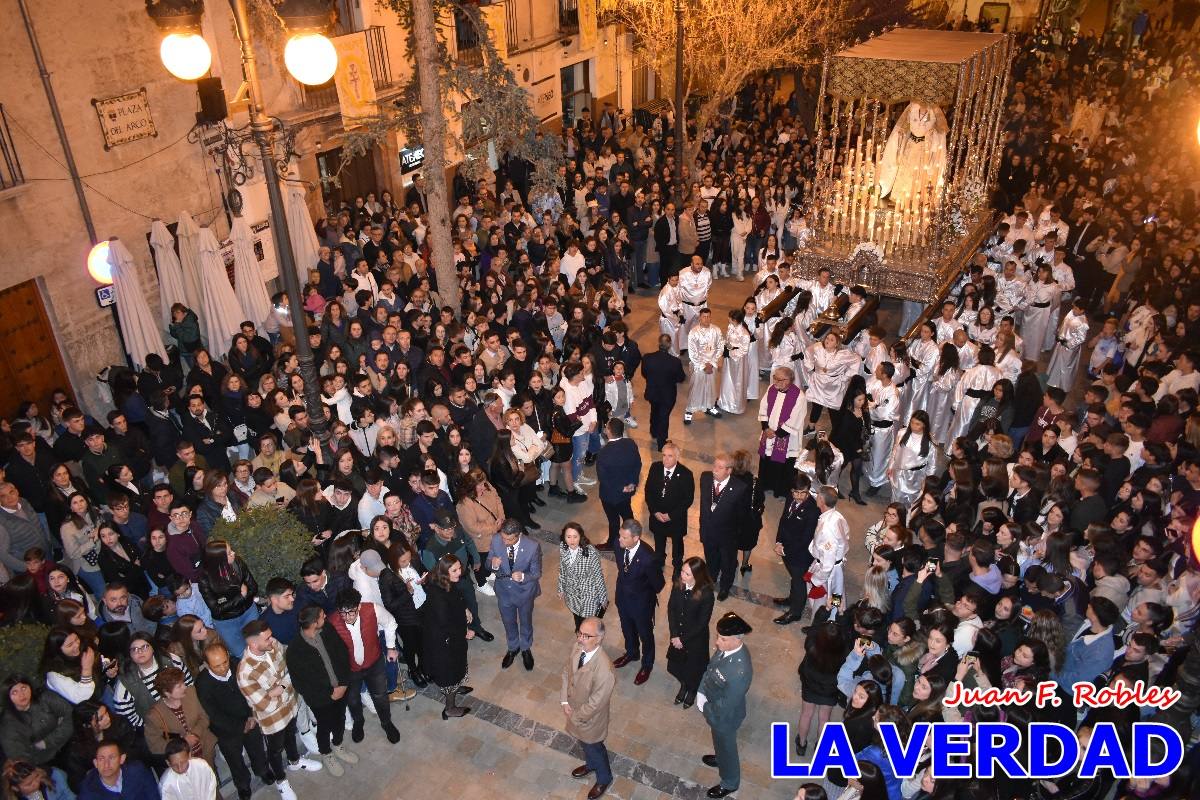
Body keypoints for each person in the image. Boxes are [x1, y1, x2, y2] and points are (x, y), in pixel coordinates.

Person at [236, 620, 322, 800]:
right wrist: (286, 684)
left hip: (290, 706)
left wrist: (278, 689)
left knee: (291, 736)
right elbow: (267, 705)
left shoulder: (273, 645)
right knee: (275, 751)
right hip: (272, 719)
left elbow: (291, 664)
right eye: (267, 638)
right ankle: (281, 781)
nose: (272, 639)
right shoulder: (245, 672)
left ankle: (295, 761)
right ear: (253, 643)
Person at [285, 605, 359, 776]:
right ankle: (327, 753)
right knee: (324, 727)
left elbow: (342, 653)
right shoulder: (295, 650)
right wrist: (329, 694)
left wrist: (343, 684)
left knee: (340, 719)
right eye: (321, 616)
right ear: (313, 623)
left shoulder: (327, 629)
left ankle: (339, 745)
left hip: (341, 688)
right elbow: (301, 683)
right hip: (320, 700)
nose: (325, 616)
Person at [193, 643, 272, 800]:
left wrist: (251, 715)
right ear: (207, 665)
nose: (223, 668)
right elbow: (213, 714)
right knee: (234, 759)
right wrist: (240, 726)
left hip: (248, 717)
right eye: (216, 666)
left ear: (228, 657)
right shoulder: (202, 683)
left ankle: (262, 770)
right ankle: (242, 784)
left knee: (257, 747)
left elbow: (251, 689)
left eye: (225, 662)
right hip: (226, 730)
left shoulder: (238, 665)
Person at [328, 587, 402, 744]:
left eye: (351, 612)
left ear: (359, 606)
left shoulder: (372, 609)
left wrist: (390, 647)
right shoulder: (332, 622)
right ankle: (358, 722)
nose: (347, 617)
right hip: (350, 670)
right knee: (353, 699)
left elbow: (390, 623)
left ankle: (386, 723)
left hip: (374, 662)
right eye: (343, 613)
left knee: (380, 696)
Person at [697, 612, 754, 799]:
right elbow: (710, 669)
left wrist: (705, 707)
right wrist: (701, 691)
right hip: (714, 706)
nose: (717, 642)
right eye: (718, 637)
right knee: (719, 742)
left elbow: (726, 704)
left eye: (722, 638)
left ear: (737, 640)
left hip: (725, 717)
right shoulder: (725, 650)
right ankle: (720, 758)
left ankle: (730, 781)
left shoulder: (740, 669)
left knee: (727, 747)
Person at [561, 616, 616, 800]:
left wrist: (575, 717)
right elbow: (566, 672)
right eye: (580, 633)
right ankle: (591, 765)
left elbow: (596, 703)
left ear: (599, 639)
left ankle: (604, 777)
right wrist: (564, 701)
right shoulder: (578, 648)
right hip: (574, 710)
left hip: (589, 718)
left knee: (593, 746)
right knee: (584, 743)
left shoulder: (604, 669)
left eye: (586, 636)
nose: (580, 639)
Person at [421, 554, 474, 719]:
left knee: (457, 667)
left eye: (459, 568)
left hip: (451, 635)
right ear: (444, 572)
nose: (460, 572)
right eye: (455, 570)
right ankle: (450, 708)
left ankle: (456, 687)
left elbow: (456, 598)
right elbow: (445, 624)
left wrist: (464, 609)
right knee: (450, 673)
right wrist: (464, 631)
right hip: (444, 642)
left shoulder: (445, 582)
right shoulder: (438, 595)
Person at [611, 519, 664, 686]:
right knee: (627, 628)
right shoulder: (618, 544)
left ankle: (647, 665)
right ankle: (631, 652)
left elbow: (659, 584)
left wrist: (642, 592)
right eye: (620, 535)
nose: (619, 539)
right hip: (623, 598)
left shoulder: (648, 557)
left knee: (645, 635)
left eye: (624, 537)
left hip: (641, 604)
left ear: (635, 538)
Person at [489, 518, 543, 671]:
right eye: (503, 538)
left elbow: (536, 573)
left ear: (518, 535)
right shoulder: (496, 539)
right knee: (508, 621)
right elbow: (489, 563)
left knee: (526, 621)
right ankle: (513, 647)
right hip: (504, 592)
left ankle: (525, 648)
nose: (504, 542)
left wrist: (524, 576)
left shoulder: (532, 546)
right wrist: (493, 564)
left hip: (524, 592)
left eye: (509, 539)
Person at [666, 557, 715, 708]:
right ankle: (683, 685)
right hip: (677, 636)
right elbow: (671, 609)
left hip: (695, 639)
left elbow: (702, 623)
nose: (682, 575)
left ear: (697, 576)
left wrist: (682, 639)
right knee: (679, 666)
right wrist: (674, 635)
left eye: (687, 574)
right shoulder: (678, 583)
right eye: (682, 571)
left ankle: (692, 690)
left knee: (693, 668)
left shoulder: (706, 594)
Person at [143, 667, 217, 766]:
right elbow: (155, 745)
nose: (185, 687)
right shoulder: (154, 716)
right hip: (182, 762)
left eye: (183, 683)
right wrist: (182, 743)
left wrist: (195, 734)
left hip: (206, 748)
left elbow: (204, 717)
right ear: (167, 693)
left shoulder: (192, 692)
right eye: (179, 686)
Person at [698, 453, 748, 601]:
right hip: (708, 532)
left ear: (729, 470)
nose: (715, 470)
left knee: (728, 562)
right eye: (714, 465)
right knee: (711, 559)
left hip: (727, 537)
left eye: (720, 467)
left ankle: (726, 586)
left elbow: (741, 516)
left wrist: (734, 534)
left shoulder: (739, 488)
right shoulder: (705, 478)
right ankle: (711, 578)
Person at [773, 473, 819, 625]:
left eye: (803, 493)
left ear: (808, 491)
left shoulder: (813, 510)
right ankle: (791, 599)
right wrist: (778, 541)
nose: (799, 496)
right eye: (796, 492)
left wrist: (786, 550)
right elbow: (783, 520)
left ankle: (795, 612)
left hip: (800, 555)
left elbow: (806, 539)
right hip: (786, 549)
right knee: (794, 577)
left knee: (799, 582)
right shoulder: (790, 498)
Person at [643, 442, 695, 577]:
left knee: (677, 543)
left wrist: (671, 515)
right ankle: (659, 560)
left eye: (670, 456)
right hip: (657, 516)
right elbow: (648, 491)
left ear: (677, 457)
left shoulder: (686, 474)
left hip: (675, 519)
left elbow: (688, 500)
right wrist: (655, 511)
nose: (665, 459)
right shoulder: (655, 467)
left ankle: (678, 565)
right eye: (664, 455)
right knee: (659, 541)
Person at [0, 674, 73, 767]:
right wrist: (59, 725)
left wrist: (45, 742)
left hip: (67, 745)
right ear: (8, 697)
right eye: (14, 692)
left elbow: (68, 715)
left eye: (23, 688)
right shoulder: (8, 724)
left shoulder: (44, 697)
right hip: (42, 762)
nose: (21, 694)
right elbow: (19, 756)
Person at [757, 367, 808, 498]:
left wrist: (777, 434)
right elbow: (763, 407)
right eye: (775, 378)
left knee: (783, 464)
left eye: (779, 379)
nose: (775, 381)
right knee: (767, 460)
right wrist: (766, 428)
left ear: (788, 380)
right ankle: (766, 484)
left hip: (786, 437)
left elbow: (796, 418)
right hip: (769, 433)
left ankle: (780, 490)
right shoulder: (771, 389)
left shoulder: (799, 396)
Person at [594, 418, 641, 550]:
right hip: (627, 493)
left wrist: (621, 488)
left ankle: (612, 544)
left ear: (609, 431)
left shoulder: (603, 453)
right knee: (627, 514)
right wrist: (632, 483)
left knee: (613, 520)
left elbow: (603, 478)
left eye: (606, 426)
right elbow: (637, 465)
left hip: (610, 495)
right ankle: (633, 539)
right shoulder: (630, 443)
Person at [556, 523, 607, 629]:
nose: (572, 540)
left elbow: (598, 576)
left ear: (580, 536)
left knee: (587, 623)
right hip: (571, 593)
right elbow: (562, 569)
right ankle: (579, 632)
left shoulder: (590, 553)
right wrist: (561, 588)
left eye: (575, 537)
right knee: (577, 616)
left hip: (588, 594)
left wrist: (603, 598)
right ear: (564, 537)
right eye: (568, 537)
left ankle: (586, 638)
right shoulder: (563, 547)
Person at [641, 334, 687, 450]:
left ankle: (654, 432)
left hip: (652, 392)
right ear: (670, 345)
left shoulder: (647, 358)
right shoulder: (675, 362)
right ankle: (661, 443)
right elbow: (681, 378)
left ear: (658, 343)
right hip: (668, 395)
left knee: (654, 411)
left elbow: (644, 374)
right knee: (664, 417)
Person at [78, 740, 159, 800]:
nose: (106, 764)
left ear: (122, 759)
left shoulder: (138, 771)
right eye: (101, 759)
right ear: (95, 763)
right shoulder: (88, 790)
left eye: (111, 758)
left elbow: (154, 797)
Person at [809, 488, 849, 605]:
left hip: (829, 571)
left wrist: (817, 580)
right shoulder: (838, 516)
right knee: (837, 591)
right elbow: (846, 536)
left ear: (821, 500)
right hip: (837, 566)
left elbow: (827, 562)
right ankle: (836, 612)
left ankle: (830, 618)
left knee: (827, 598)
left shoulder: (827, 529)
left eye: (817, 496)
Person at [684, 309, 724, 423]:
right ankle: (689, 410)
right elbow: (692, 353)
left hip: (712, 365)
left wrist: (711, 364)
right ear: (699, 318)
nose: (706, 319)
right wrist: (703, 366)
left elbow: (720, 347)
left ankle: (710, 406)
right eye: (704, 317)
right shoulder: (693, 332)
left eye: (708, 316)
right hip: (698, 366)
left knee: (711, 388)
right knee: (695, 388)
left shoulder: (716, 330)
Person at [1046, 297, 1090, 389]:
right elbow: (1064, 323)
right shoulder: (1071, 313)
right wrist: (1059, 333)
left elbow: (1081, 338)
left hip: (1069, 348)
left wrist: (1068, 344)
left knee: (1065, 366)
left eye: (1076, 309)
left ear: (1082, 310)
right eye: (1074, 307)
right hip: (1061, 342)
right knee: (1057, 361)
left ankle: (1062, 384)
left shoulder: (1083, 323)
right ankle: (1053, 379)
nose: (1073, 310)